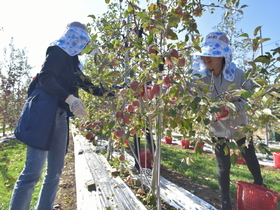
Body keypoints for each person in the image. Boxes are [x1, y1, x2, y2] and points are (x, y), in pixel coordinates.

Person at [10, 21, 113, 210]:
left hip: (61, 116)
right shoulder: (57, 51)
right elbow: (46, 77)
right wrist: (70, 98)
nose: (84, 48)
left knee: (56, 172)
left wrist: (116, 92)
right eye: (83, 42)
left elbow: (89, 86)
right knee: (32, 172)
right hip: (43, 113)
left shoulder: (74, 63)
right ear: (75, 39)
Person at [192, 32, 265, 210]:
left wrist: (234, 108)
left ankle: (259, 185)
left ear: (222, 55)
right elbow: (191, 95)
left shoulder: (238, 74)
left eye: (211, 53)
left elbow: (249, 96)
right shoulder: (201, 78)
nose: (205, 57)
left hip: (239, 125)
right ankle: (226, 204)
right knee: (222, 166)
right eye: (204, 53)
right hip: (217, 127)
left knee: (249, 156)